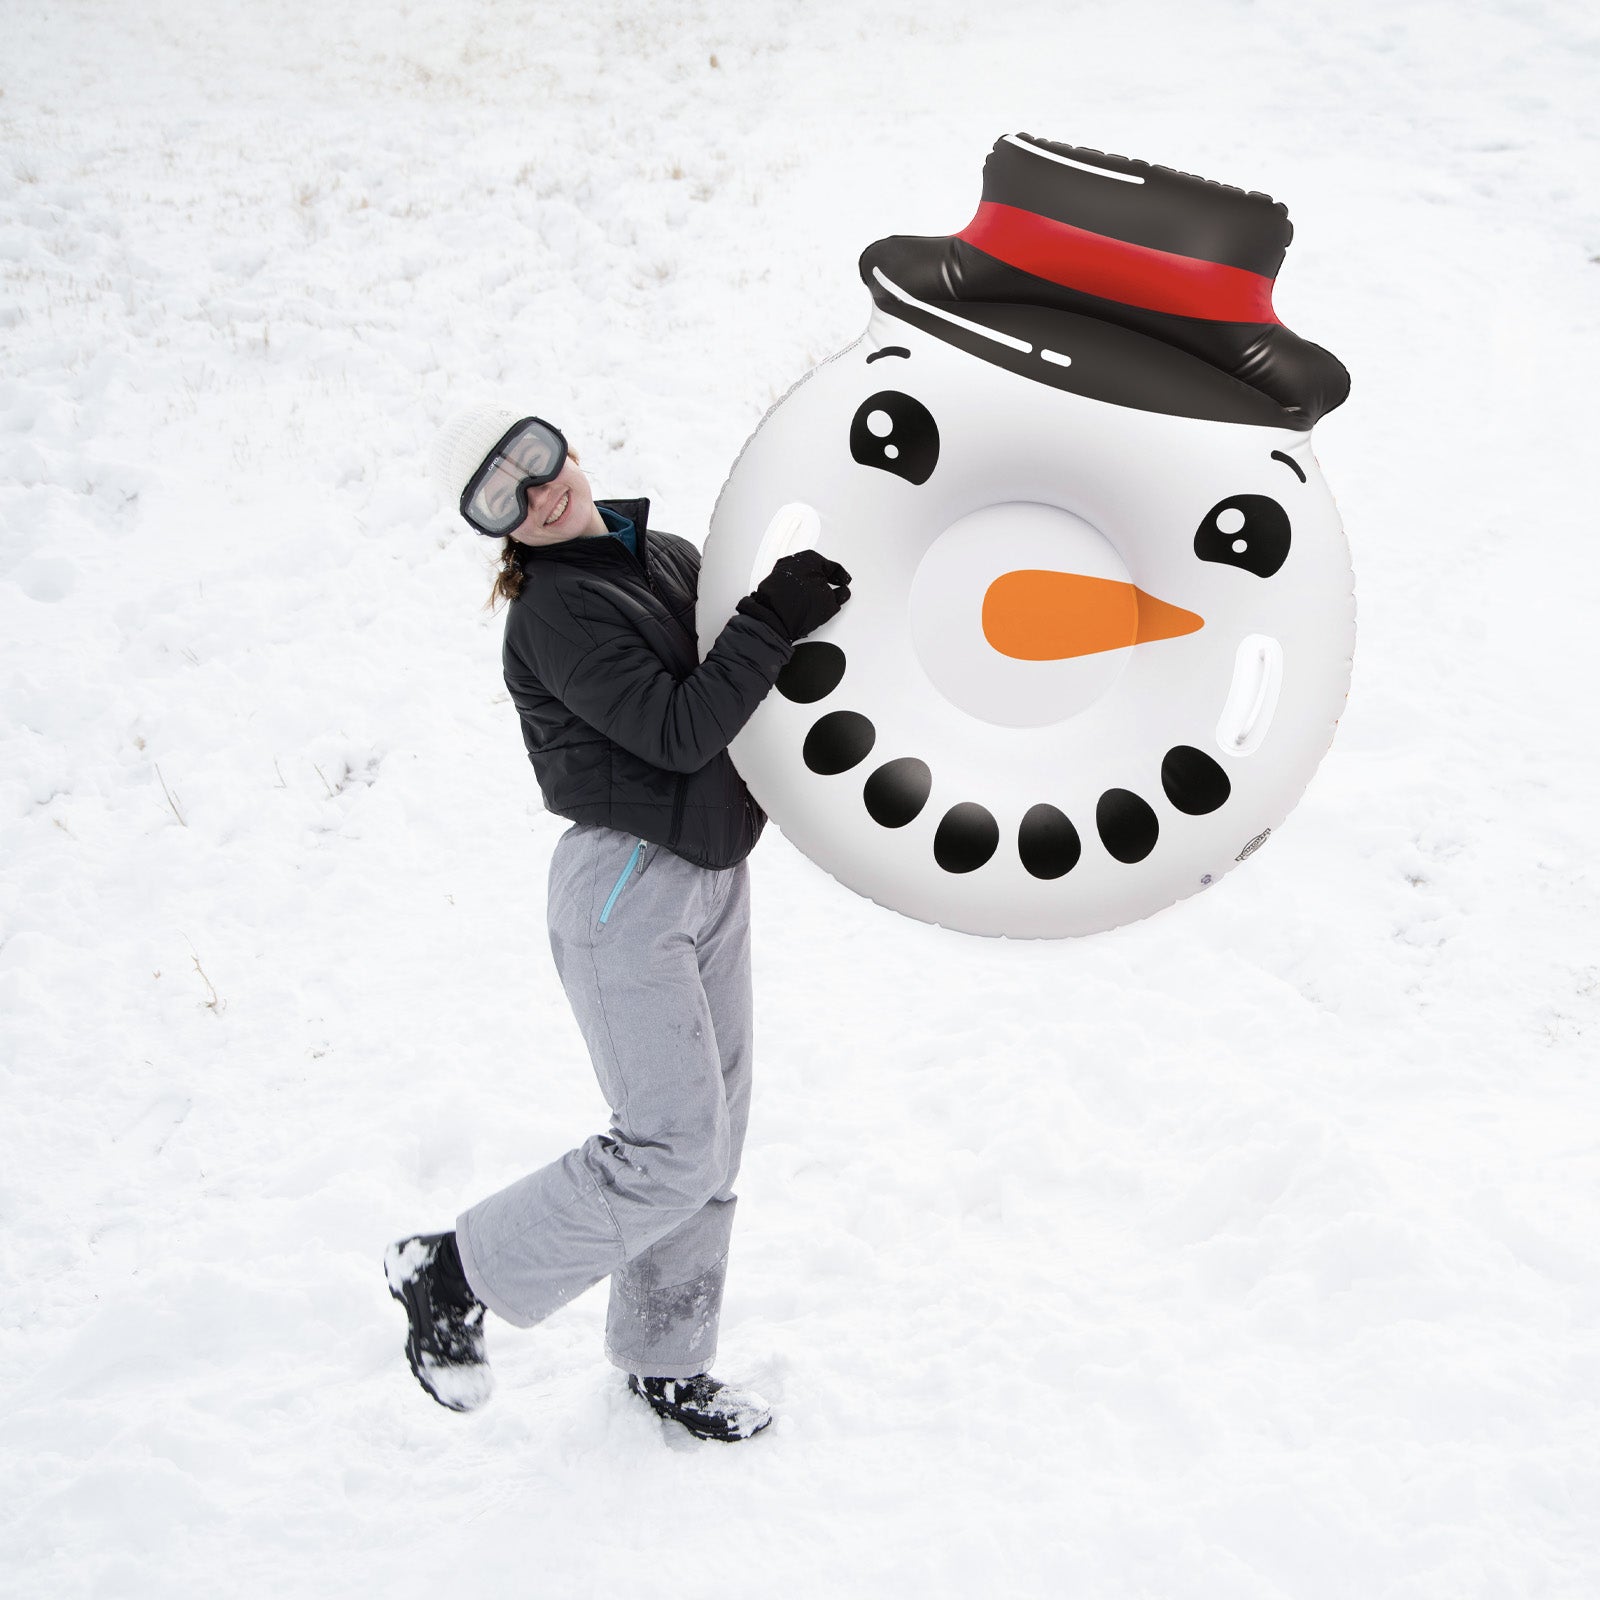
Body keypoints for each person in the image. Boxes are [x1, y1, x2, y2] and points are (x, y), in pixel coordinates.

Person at [383, 405, 851, 1443]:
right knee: (671, 1146)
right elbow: (681, 729)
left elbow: (742, 683)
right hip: (625, 889)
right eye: (505, 497)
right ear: (498, 528)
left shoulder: (667, 557)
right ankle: (449, 1270)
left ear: (567, 449)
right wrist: (771, 621)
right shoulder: (551, 615)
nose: (540, 493)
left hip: (713, 877)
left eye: (537, 461)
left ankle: (665, 1360)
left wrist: (810, 607)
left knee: (712, 1144)